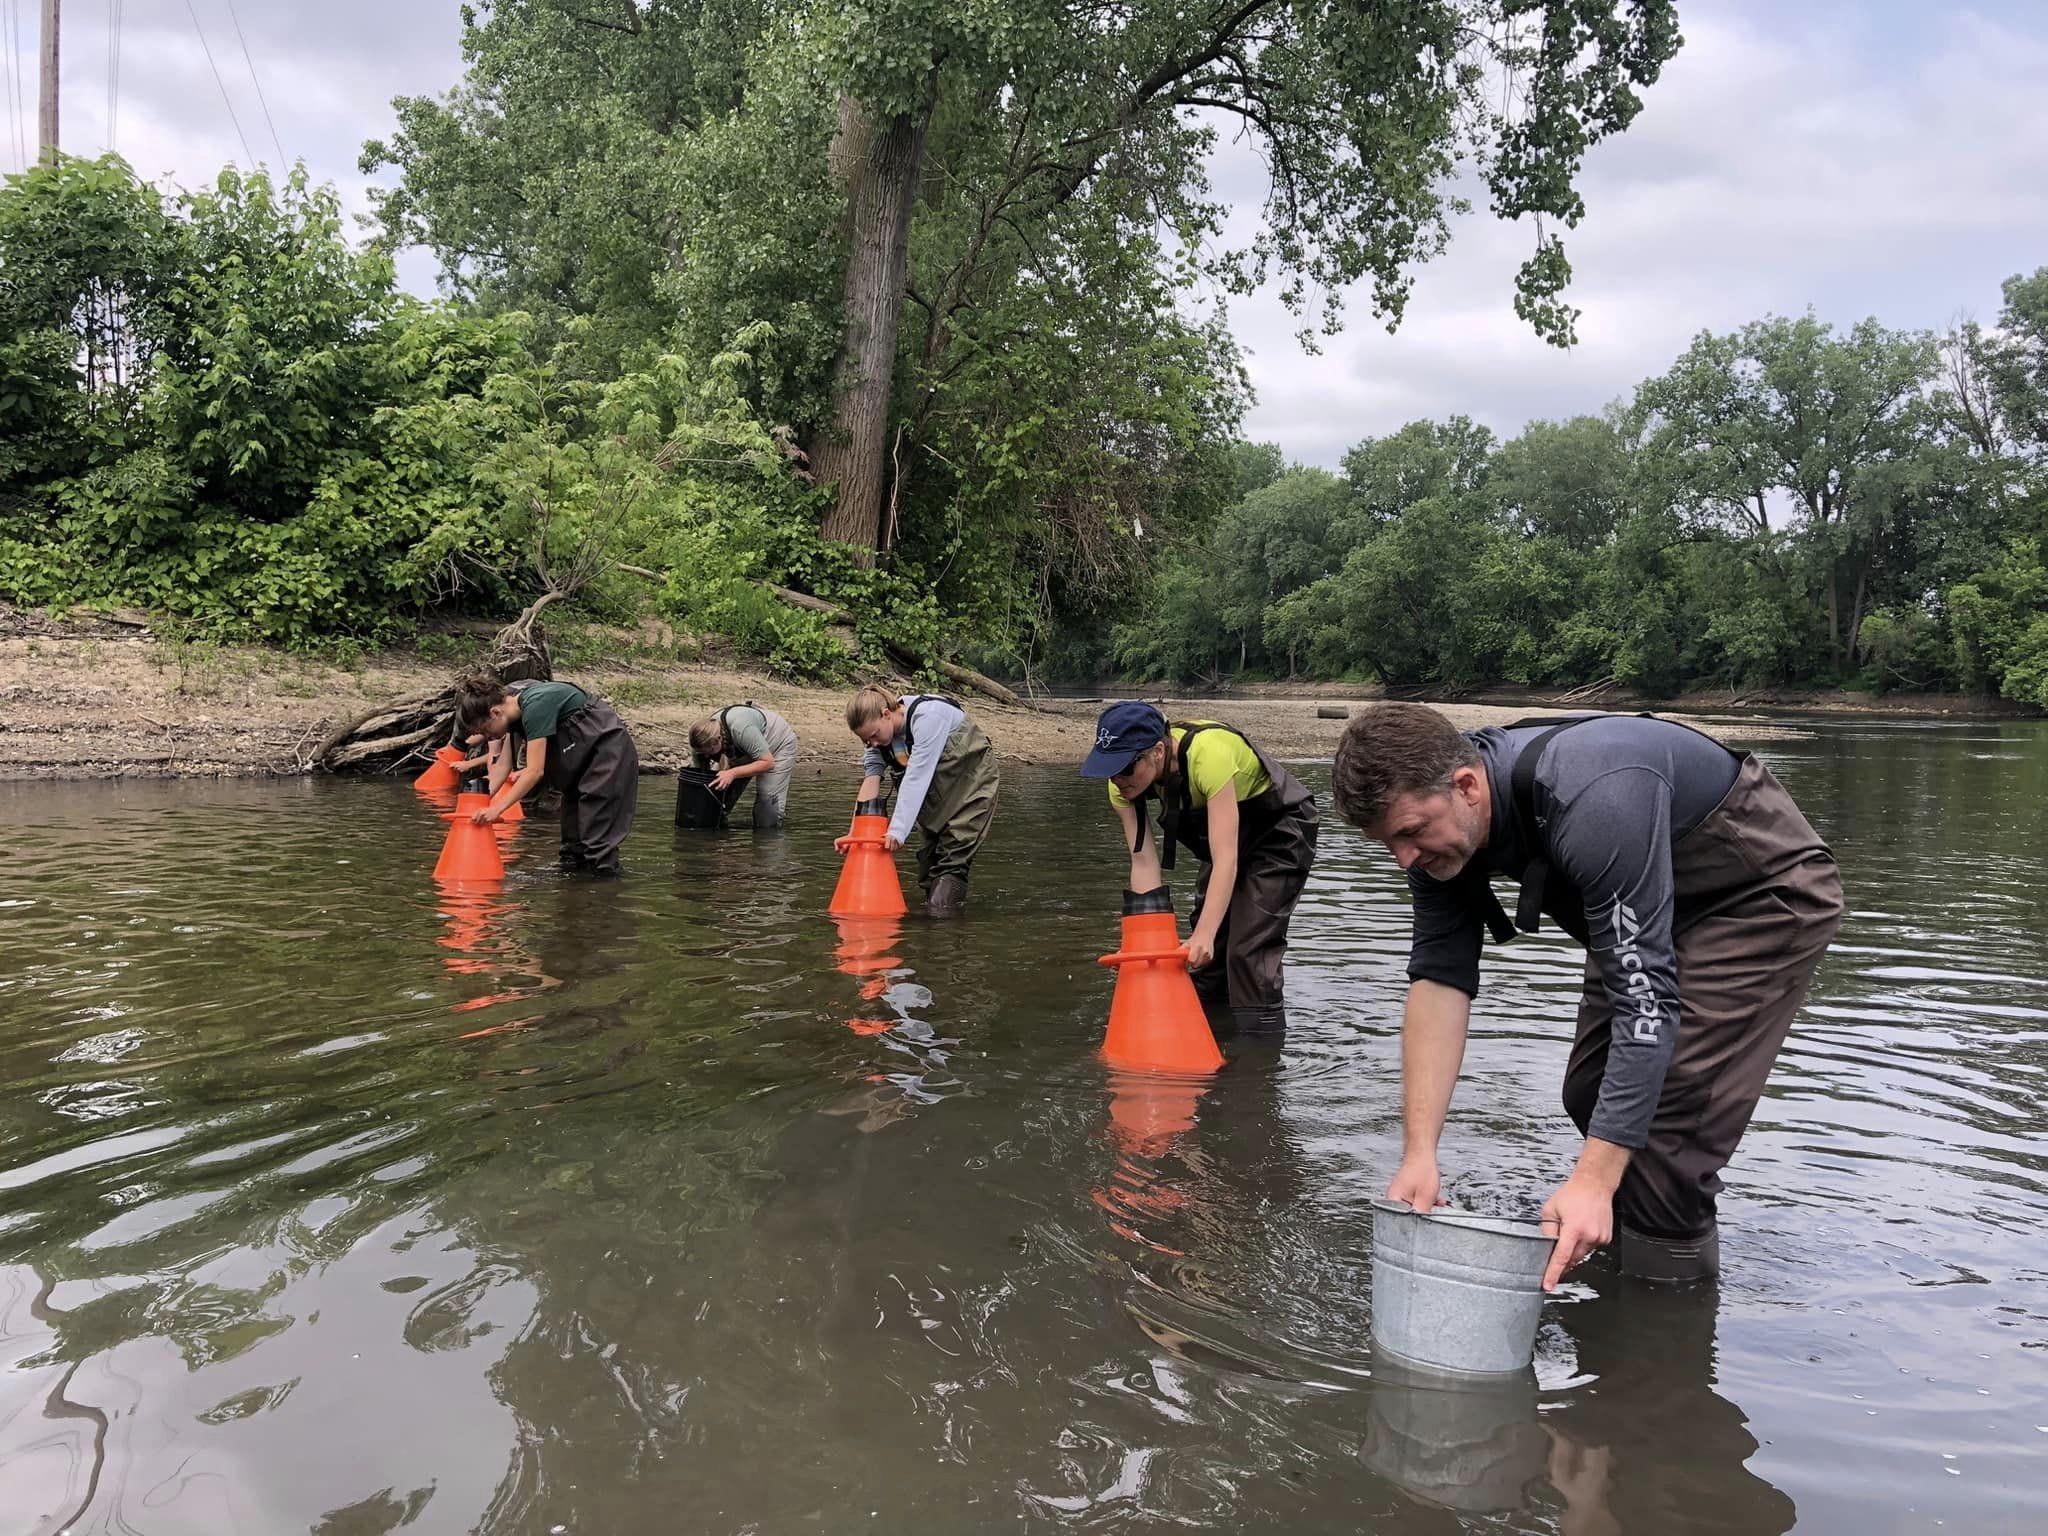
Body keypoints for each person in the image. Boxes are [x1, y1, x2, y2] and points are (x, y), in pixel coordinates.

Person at [1332, 704, 1843, 1287]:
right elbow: (1439, 982)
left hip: (1754, 897)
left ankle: (1660, 1328)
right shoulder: (1441, 829)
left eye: (1411, 834)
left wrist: (1593, 1182)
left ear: (1467, 786)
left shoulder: (1593, 800)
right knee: (1591, 1093)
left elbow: (1645, 1005)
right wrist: (1419, 1154)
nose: (1405, 859)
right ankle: (1618, 1241)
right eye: (1388, 844)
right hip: (1646, 903)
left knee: (1666, 1127)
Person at [1080, 701, 1318, 1037]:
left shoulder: (1210, 756)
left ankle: (1259, 1061)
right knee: (1205, 958)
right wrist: (1143, 943)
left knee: (1246, 950)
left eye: (1125, 768)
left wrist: (1205, 934)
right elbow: (1144, 861)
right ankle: (1209, 1040)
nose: (1117, 779)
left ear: (1158, 751)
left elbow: (1226, 859)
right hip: (1224, 842)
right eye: (1109, 768)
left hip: (1278, 833)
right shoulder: (1122, 787)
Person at [454, 671, 640, 875]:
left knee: (597, 846)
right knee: (572, 849)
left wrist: (497, 810)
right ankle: (573, 899)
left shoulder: (536, 706)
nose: (486, 737)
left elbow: (534, 771)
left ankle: (601, 896)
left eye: (484, 730)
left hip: (607, 756)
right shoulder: (511, 712)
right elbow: (502, 768)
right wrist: (477, 803)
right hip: (578, 767)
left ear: (495, 713)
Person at [844, 685, 999, 915]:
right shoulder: (877, 743)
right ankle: (938, 929)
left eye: (874, 736)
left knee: (952, 864)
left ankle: (943, 937)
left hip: (972, 788)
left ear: (887, 714)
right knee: (928, 868)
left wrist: (897, 830)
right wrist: (854, 835)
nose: (872, 744)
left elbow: (917, 776)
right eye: (866, 740)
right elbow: (870, 782)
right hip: (935, 800)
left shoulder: (929, 716)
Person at [688, 702, 801, 830]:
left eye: (709, 753)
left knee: (766, 807)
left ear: (718, 739)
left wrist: (732, 773)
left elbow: (768, 763)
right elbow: (697, 779)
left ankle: (767, 841)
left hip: (777, 744)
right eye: (702, 754)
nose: (707, 757)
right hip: (742, 747)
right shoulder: (700, 740)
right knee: (715, 794)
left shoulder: (741, 728)